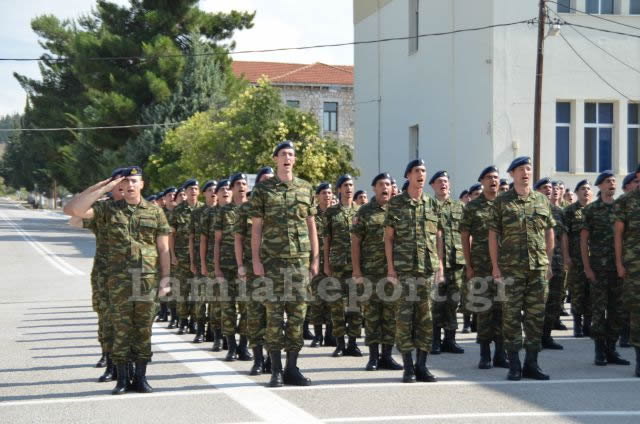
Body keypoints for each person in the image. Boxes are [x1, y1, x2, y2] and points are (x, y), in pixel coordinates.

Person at [64, 166, 171, 395]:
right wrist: (105, 185)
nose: (130, 185)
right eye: (125, 182)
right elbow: (72, 209)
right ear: (119, 186)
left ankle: (140, 377)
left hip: (147, 282)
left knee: (143, 330)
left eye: (134, 181)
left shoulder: (155, 212)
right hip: (118, 282)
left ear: (142, 184)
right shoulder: (107, 210)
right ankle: (122, 378)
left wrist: (166, 280)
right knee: (121, 330)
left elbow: (163, 249)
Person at [250, 141, 319, 387]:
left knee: (298, 315)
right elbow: (256, 227)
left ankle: (292, 367)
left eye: (291, 154)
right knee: (274, 316)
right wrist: (256, 260)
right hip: (272, 263)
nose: (287, 158)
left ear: (294, 160)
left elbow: (311, 225)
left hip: (299, 263)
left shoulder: (305, 188)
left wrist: (315, 259)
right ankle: (276, 370)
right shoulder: (263, 190)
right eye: (283, 154)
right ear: (276, 159)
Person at [489, 156, 554, 381]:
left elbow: (549, 232)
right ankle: (514, 365)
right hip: (511, 270)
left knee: (536, 317)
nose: (526, 173)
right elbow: (493, 234)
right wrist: (496, 266)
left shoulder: (542, 200)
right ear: (512, 174)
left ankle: (532, 364)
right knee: (511, 317)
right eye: (521, 170)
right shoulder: (502, 201)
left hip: (538, 269)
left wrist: (548, 261)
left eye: (528, 169)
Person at [384, 159, 444, 383]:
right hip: (404, 271)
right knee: (404, 319)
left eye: (424, 171)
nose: (421, 175)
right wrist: (390, 268)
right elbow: (389, 238)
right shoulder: (396, 204)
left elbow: (438, 237)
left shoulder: (431, 204)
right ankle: (408, 367)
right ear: (408, 175)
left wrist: (440, 266)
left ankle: (422, 366)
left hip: (427, 271)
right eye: (417, 171)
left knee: (426, 319)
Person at [351, 172, 402, 371]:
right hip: (370, 272)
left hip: (392, 273)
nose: (385, 188)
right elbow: (355, 243)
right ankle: (373, 357)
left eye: (388, 184)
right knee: (372, 315)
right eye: (381, 184)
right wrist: (356, 270)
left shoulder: (397, 210)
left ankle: (387, 356)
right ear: (374, 188)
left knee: (390, 315)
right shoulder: (364, 212)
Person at [460, 165, 508, 369]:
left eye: (496, 177)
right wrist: (469, 265)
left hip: (506, 265)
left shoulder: (506, 204)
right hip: (481, 265)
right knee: (484, 309)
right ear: (482, 181)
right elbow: (464, 237)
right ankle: (485, 354)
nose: (493, 181)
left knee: (503, 309)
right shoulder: (472, 207)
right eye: (489, 177)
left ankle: (501, 353)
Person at [581, 171, 629, 366]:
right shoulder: (591, 210)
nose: (612, 184)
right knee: (599, 311)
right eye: (608, 182)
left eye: (614, 181)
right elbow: (584, 241)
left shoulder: (621, 207)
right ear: (599, 186)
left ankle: (612, 349)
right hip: (599, 268)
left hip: (619, 268)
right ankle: (599, 351)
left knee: (617, 310)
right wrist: (586, 267)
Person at [235, 166, 274, 375]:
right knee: (256, 314)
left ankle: (272, 358)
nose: (268, 182)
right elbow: (239, 239)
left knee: (274, 316)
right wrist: (240, 265)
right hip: (252, 268)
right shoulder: (245, 209)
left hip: (276, 268)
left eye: (271, 179)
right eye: (264, 179)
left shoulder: (279, 206)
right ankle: (258, 359)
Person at [215, 173, 252, 362]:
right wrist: (217, 269)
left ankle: (244, 346)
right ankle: (231, 347)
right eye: (238, 184)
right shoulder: (223, 211)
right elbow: (217, 241)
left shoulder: (253, 209)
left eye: (244, 183)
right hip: (227, 266)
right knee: (227, 308)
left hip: (248, 266)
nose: (241, 186)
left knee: (246, 308)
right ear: (231, 188)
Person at [325, 174, 362, 358]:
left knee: (355, 305)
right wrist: (326, 263)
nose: (349, 188)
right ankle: (340, 343)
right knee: (337, 306)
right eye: (345, 185)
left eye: (351, 185)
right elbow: (327, 240)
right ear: (339, 189)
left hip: (356, 265)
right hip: (337, 264)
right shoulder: (331, 213)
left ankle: (353, 343)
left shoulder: (360, 211)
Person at [429, 170, 465, 355]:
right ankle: (434, 340)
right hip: (435, 262)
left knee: (453, 302)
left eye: (445, 181)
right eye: (439, 182)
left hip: (457, 262)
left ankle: (450, 340)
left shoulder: (459, 207)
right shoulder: (428, 206)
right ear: (432, 186)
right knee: (436, 302)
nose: (443, 184)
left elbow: (467, 234)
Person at [614, 164, 640, 377]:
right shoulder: (626, 202)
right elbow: (618, 236)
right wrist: (619, 264)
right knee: (637, 312)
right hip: (634, 266)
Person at [533, 178, 565, 350]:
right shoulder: (532, 209)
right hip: (536, 262)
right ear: (537, 190)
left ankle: (546, 336)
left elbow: (563, 237)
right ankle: (534, 337)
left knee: (554, 301)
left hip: (557, 262)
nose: (549, 190)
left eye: (550, 188)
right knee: (537, 303)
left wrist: (566, 260)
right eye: (544, 187)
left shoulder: (557, 212)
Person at [201, 180, 231, 352]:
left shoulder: (239, 211)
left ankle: (229, 337)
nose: (225, 192)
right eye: (222, 190)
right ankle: (218, 336)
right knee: (217, 302)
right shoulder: (210, 214)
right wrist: (204, 264)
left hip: (235, 262)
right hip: (215, 262)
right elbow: (203, 240)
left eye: (228, 189)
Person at [169, 179, 202, 335]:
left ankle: (195, 322)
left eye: (196, 189)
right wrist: (172, 255)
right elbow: (171, 235)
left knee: (197, 291)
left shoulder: (204, 209)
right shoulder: (178, 210)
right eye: (190, 189)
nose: (193, 191)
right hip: (182, 256)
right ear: (185, 192)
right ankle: (183, 321)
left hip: (200, 256)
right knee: (182, 291)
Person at [308, 183, 336, 348]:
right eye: (324, 193)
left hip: (334, 262)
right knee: (318, 300)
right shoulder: (313, 215)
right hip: (317, 262)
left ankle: (330, 335)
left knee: (332, 299)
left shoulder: (335, 214)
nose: (327, 196)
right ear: (317, 196)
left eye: (330, 193)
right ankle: (317, 335)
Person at [189, 179, 217, 343]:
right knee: (200, 297)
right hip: (202, 260)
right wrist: (193, 261)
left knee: (216, 299)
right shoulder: (197, 213)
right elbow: (192, 239)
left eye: (215, 190)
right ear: (204, 193)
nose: (213, 193)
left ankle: (212, 331)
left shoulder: (223, 211)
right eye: (209, 190)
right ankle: (200, 330)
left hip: (219, 260)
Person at [565, 180, 594, 337]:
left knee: (591, 293)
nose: (586, 191)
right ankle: (577, 323)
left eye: (588, 189)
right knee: (577, 292)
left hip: (595, 259)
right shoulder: (570, 212)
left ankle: (588, 324)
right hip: (576, 259)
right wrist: (567, 256)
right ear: (576, 192)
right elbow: (565, 236)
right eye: (583, 188)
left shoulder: (596, 210)